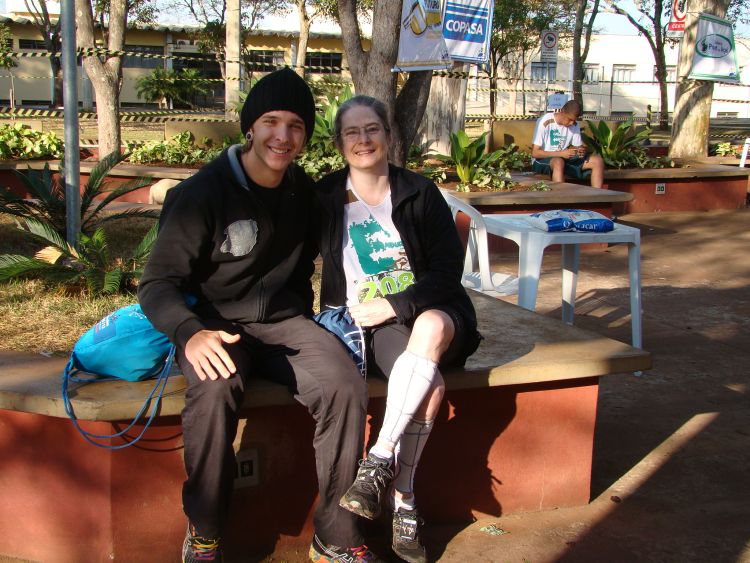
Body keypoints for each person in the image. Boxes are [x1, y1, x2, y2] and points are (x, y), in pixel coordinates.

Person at [138, 68, 382, 563]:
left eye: (296, 125)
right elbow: (157, 283)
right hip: (215, 326)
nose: (282, 136)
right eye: (271, 121)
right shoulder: (202, 194)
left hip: (285, 324)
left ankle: (335, 536)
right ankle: (205, 531)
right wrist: (189, 333)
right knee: (215, 390)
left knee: (343, 385)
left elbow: (347, 234)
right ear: (250, 126)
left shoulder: (303, 192)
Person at [315, 95, 481, 563]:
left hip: (432, 311)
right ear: (340, 143)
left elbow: (447, 272)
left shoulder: (418, 193)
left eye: (372, 129)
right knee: (431, 386)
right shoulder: (325, 197)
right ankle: (404, 498)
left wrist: (394, 303)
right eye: (352, 132)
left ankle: (378, 460)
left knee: (429, 325)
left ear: (389, 136)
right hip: (371, 327)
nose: (363, 139)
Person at [531, 99, 605, 188]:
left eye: (574, 120)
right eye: (570, 119)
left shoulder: (574, 124)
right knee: (558, 162)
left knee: (597, 161)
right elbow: (535, 153)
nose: (572, 123)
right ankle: (562, 195)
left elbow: (578, 146)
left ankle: (597, 195)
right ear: (562, 112)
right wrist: (561, 153)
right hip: (543, 161)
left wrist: (580, 151)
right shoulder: (545, 121)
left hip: (564, 159)